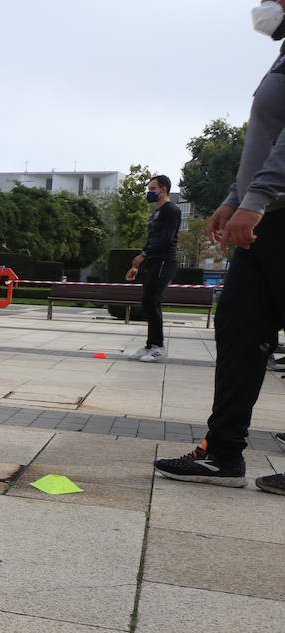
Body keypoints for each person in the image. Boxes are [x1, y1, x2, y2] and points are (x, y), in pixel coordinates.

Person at [155, 3, 285, 494]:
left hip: (277, 211)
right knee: (238, 329)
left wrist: (257, 199)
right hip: (264, 217)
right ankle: (223, 451)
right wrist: (235, 199)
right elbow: (264, 138)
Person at [125, 174, 181, 362]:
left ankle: (158, 347)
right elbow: (152, 239)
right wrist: (137, 264)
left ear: (163, 189)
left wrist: (143, 255)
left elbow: (166, 239)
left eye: (152, 189)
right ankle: (150, 345)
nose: (149, 193)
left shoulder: (171, 210)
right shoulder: (157, 212)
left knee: (151, 302)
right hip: (155, 260)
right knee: (149, 303)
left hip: (165, 260)